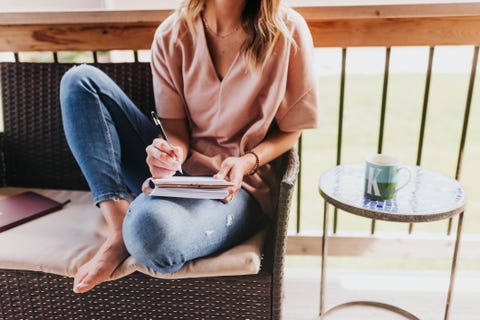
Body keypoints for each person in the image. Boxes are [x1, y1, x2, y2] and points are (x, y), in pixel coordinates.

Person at [60, 0, 318, 294]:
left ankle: (135, 227)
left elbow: (291, 132)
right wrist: (169, 155)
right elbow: (176, 131)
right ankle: (118, 227)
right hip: (183, 175)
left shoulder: (287, 31)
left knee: (149, 235)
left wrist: (247, 161)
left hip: (240, 187)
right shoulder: (173, 34)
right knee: (80, 81)